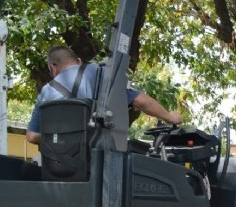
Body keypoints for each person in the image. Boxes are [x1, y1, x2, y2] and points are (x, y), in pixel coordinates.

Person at [26, 45, 182, 144]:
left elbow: (32, 136)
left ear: (52, 67)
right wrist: (170, 117)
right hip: (98, 163)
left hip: (60, 169)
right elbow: (141, 101)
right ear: (79, 61)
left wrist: (60, 139)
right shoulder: (99, 72)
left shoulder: (45, 92)